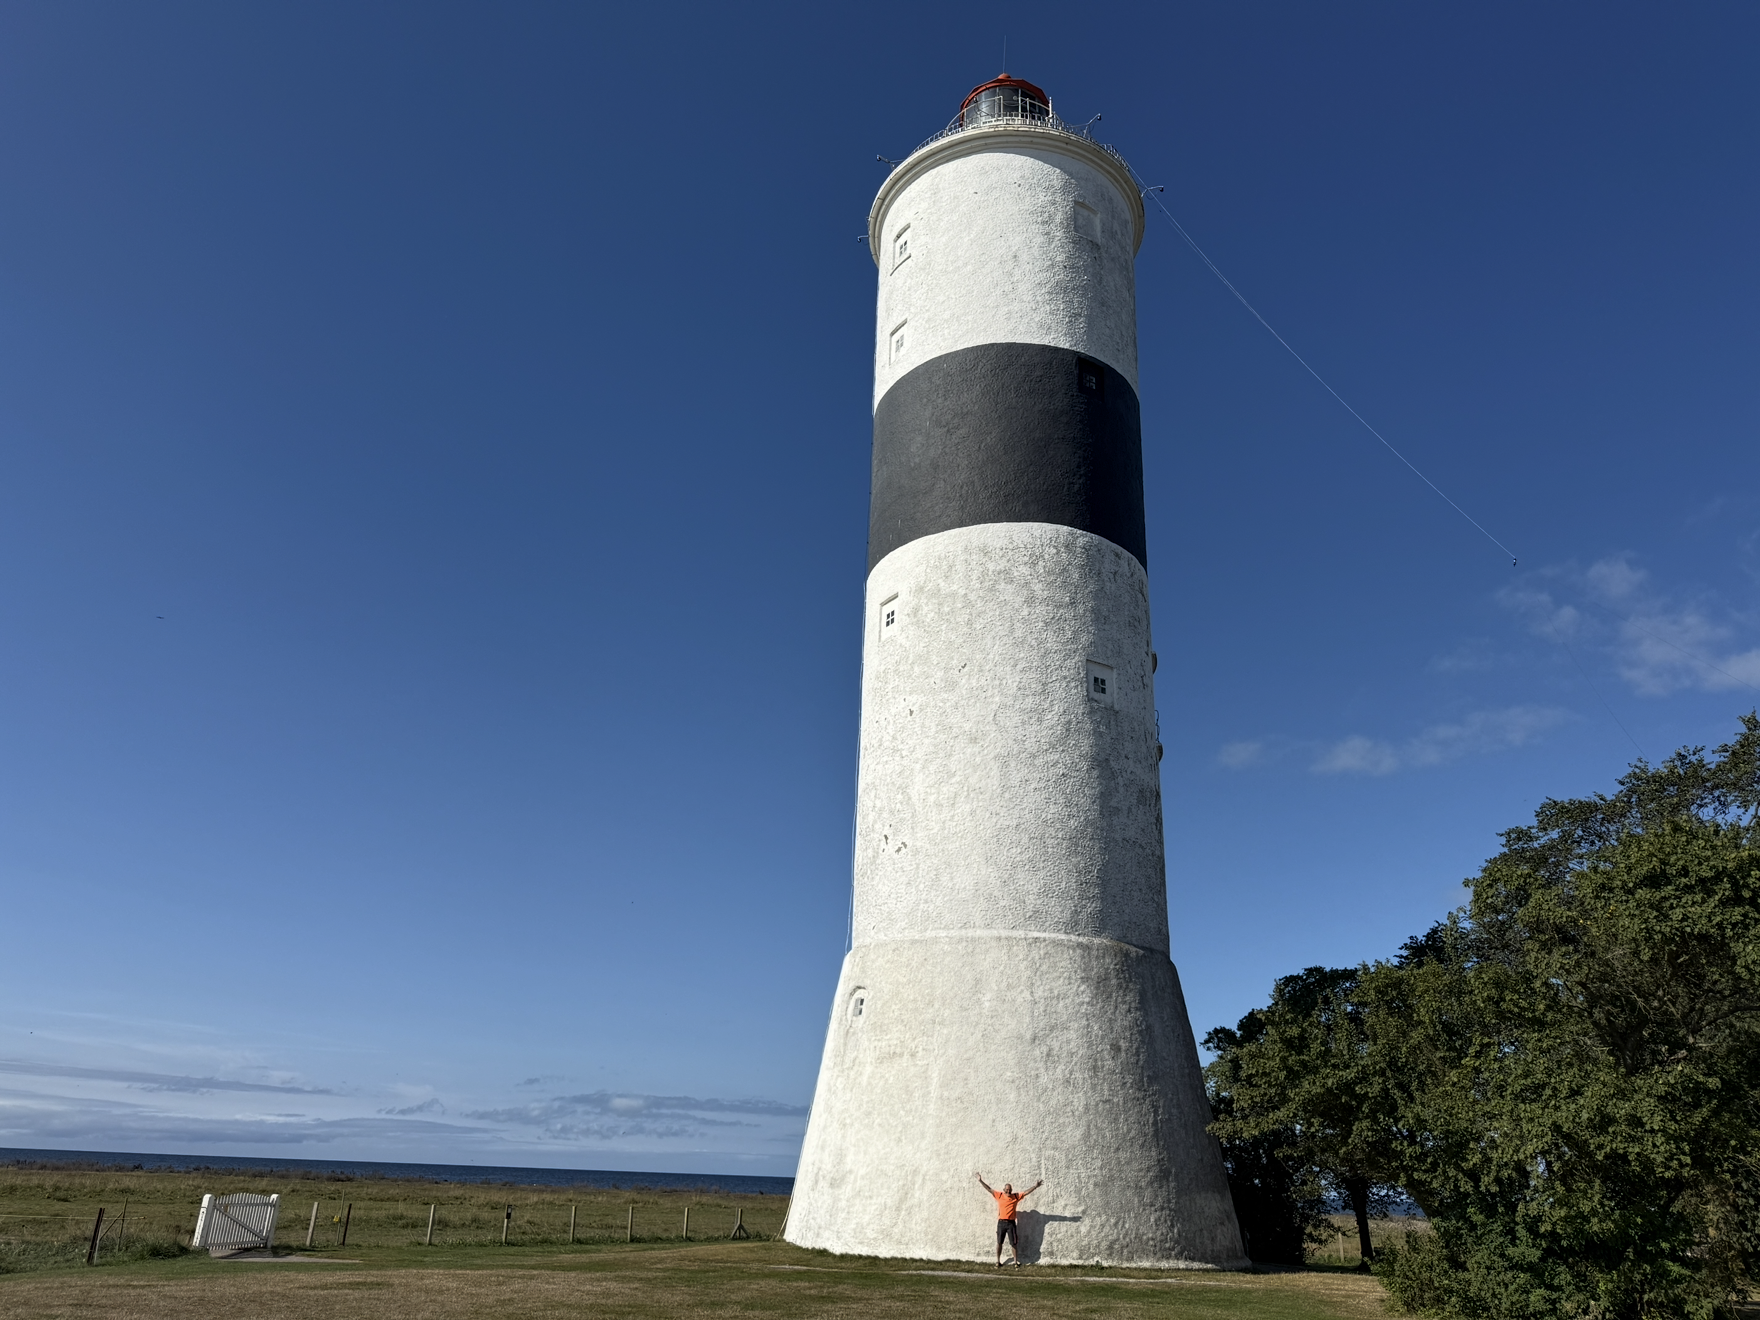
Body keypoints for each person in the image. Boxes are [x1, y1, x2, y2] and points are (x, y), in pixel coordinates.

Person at [975, 1172, 1042, 1266]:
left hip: (1011, 1224)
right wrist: (980, 1181)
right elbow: (989, 1189)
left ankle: (1015, 1262)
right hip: (1001, 1223)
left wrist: (1035, 1186)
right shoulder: (999, 1195)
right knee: (999, 1242)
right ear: (1004, 1190)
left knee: (1013, 1243)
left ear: (1011, 1190)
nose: (1008, 1191)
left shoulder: (1015, 1196)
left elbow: (1026, 1192)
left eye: (1010, 1190)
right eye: (1007, 1189)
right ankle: (998, 1261)